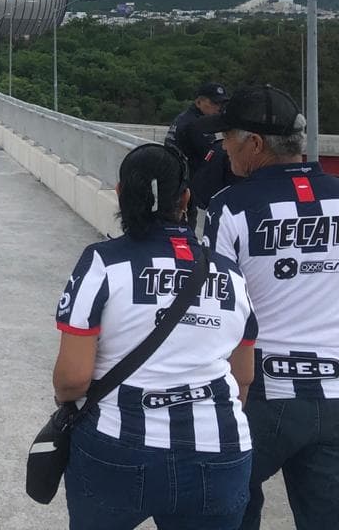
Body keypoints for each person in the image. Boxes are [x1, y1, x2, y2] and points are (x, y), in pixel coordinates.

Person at [201, 86, 339, 530]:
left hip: (259, 392)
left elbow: (215, 310)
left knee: (229, 511)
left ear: (255, 143)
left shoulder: (230, 208)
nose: (223, 148)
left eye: (227, 138)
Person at [54, 142, 258, 530]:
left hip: (118, 449)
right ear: (185, 199)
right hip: (219, 452)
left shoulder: (102, 262)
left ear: (120, 193)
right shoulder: (231, 274)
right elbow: (243, 378)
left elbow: (72, 379)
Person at [164, 81, 229, 166]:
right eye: (214, 103)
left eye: (222, 104)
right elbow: (211, 157)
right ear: (198, 102)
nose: (219, 108)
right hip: (189, 171)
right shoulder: (197, 124)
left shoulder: (183, 118)